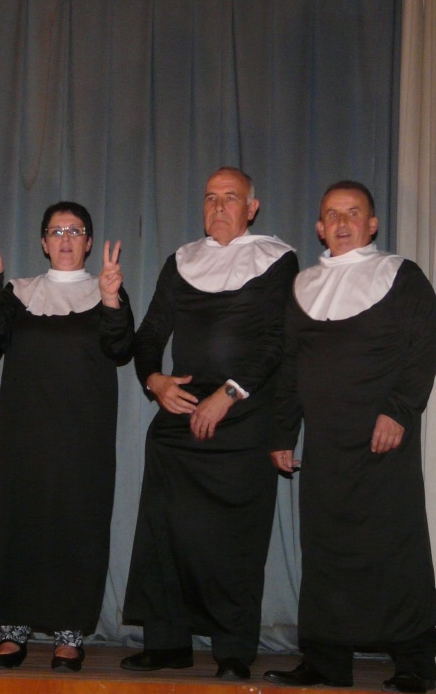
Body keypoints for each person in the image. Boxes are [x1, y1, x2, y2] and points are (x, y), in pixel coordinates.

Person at [264, 181, 436, 692]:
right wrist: (283, 432)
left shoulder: (402, 277)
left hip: (383, 440)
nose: (342, 222)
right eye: (332, 214)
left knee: (396, 547)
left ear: (372, 224)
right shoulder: (303, 286)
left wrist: (399, 412)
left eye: (353, 212)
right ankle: (325, 660)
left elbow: (423, 349)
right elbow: (290, 368)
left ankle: (414, 661)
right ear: (320, 227)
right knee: (324, 551)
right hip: (325, 443)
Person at [120, 167, 298, 681]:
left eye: (230, 198)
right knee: (165, 531)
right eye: (210, 198)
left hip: (243, 416)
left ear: (252, 208)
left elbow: (278, 342)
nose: (219, 207)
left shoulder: (278, 259)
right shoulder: (181, 261)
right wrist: (154, 380)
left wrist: (230, 393)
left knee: (236, 541)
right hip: (181, 415)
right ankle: (167, 644)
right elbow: (150, 332)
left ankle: (234, 649)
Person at [0, 202, 134, 673]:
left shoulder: (107, 289)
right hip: (24, 434)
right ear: (43, 242)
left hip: (83, 437)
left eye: (75, 230)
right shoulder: (18, 292)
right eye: (56, 231)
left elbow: (122, 348)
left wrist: (111, 299)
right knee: (19, 524)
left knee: (77, 526)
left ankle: (69, 634)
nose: (65, 239)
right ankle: (14, 631)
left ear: (88, 241)